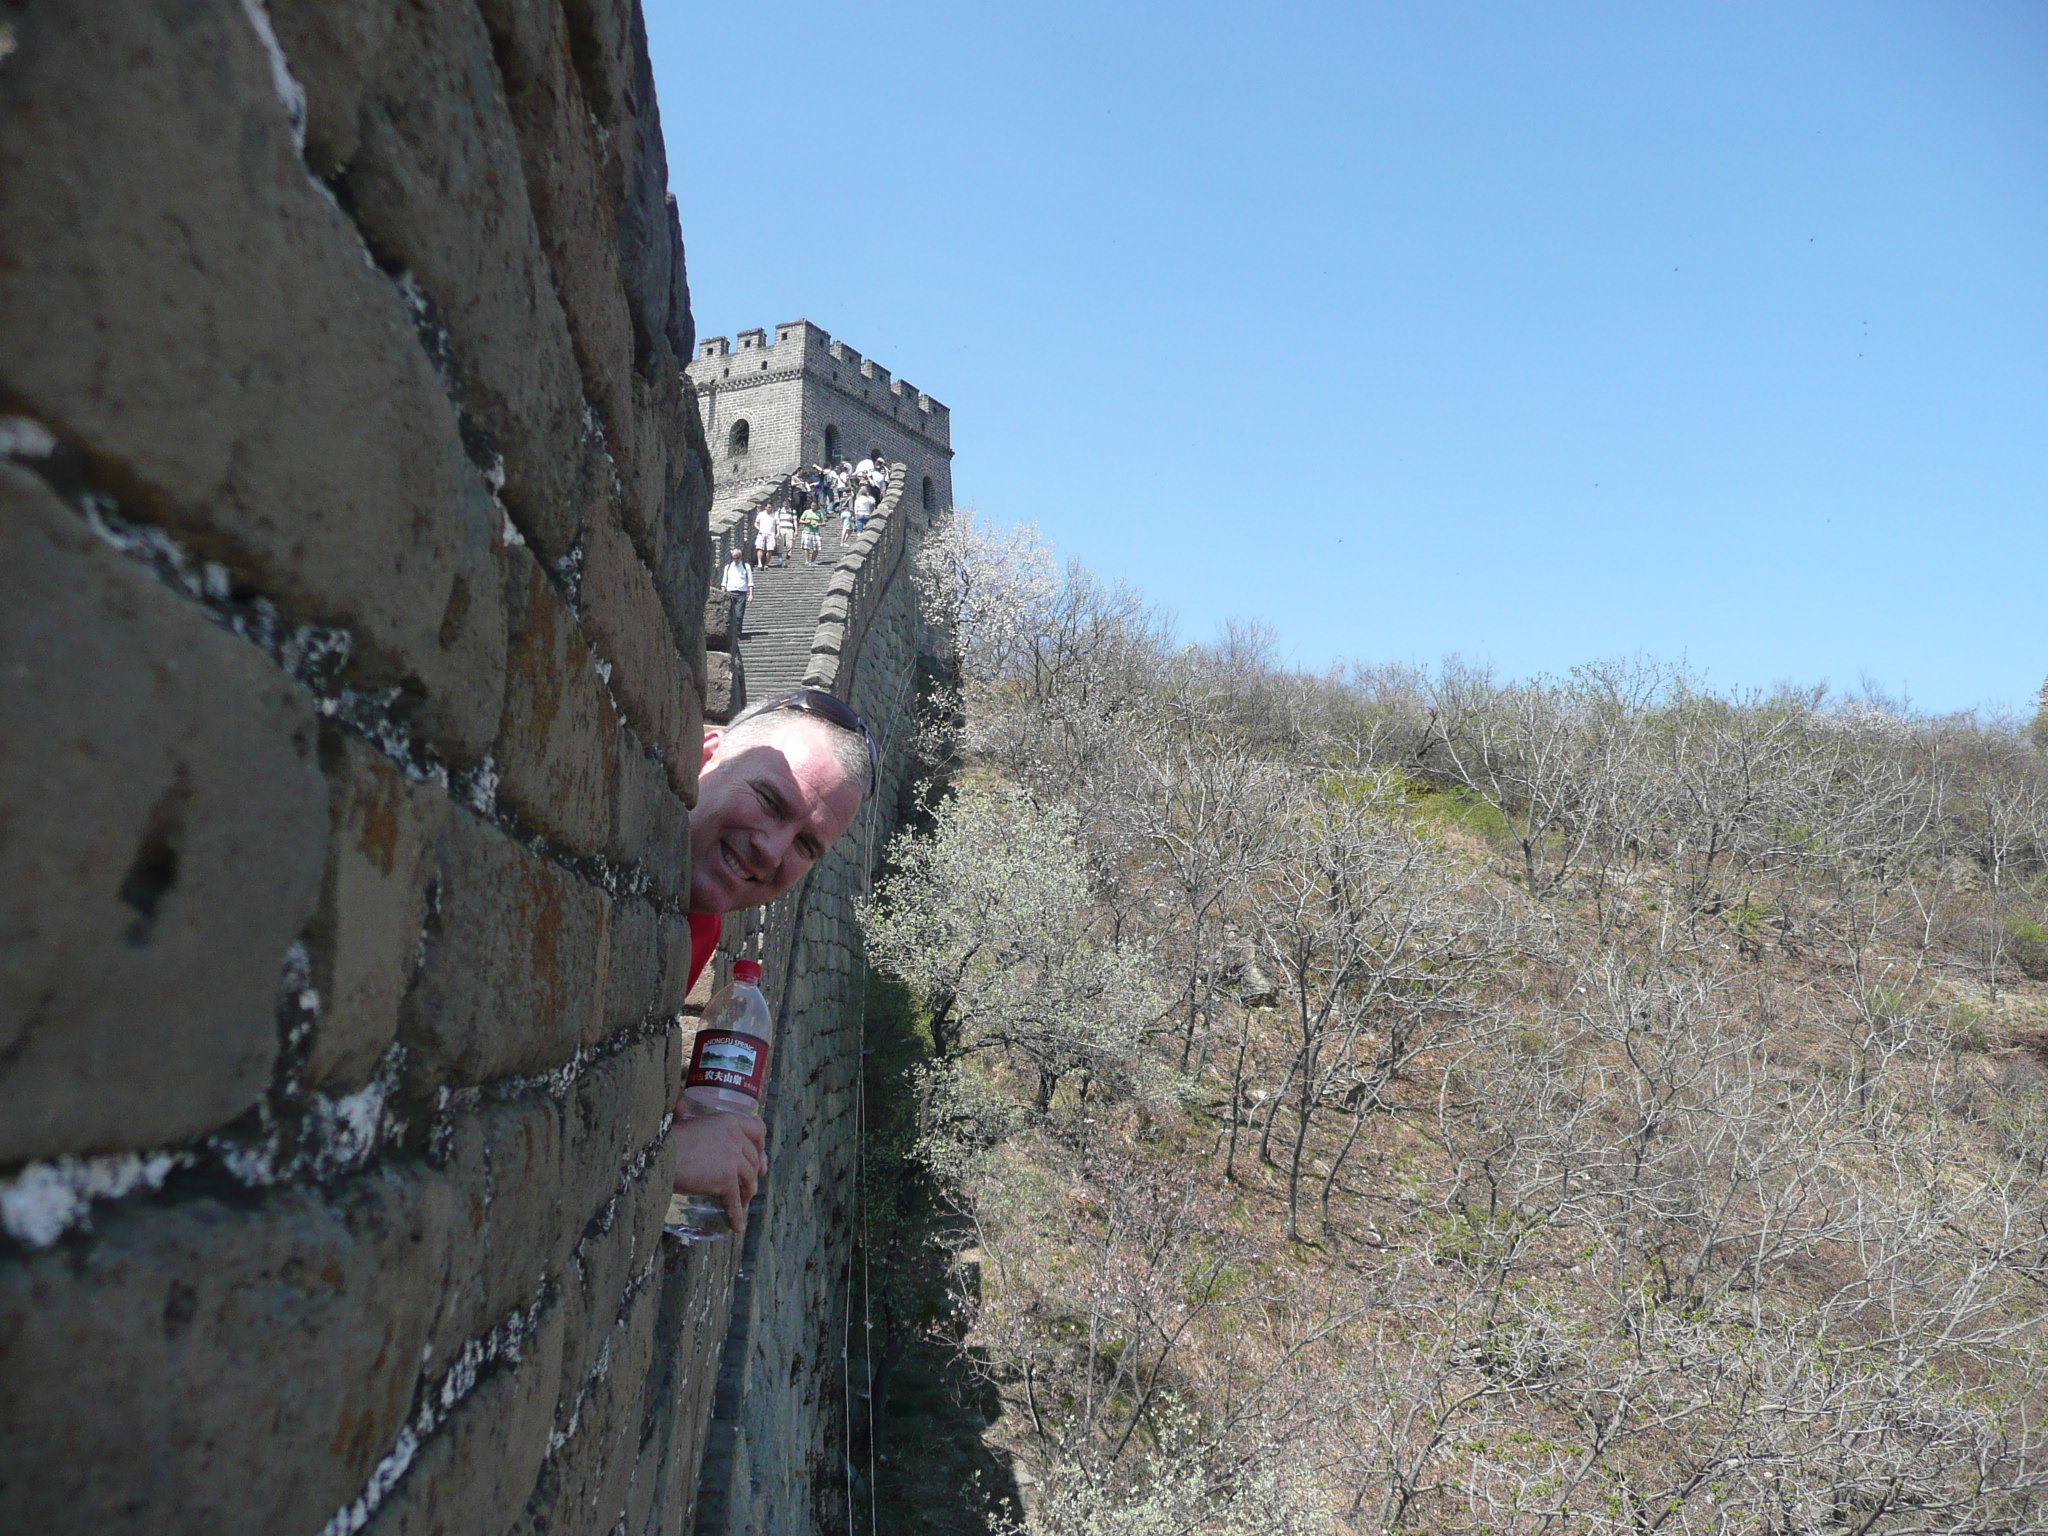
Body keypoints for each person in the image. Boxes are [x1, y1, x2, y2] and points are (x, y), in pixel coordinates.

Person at [671, 691, 878, 1231]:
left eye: (806, 845)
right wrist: (663, 1159)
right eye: (769, 799)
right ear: (706, 755)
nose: (771, 850)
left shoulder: (702, 925)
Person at [720, 547, 753, 638]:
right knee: (729, 615)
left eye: (737, 558)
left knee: (739, 615)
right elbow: (724, 581)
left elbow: (750, 581)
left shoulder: (746, 566)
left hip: (741, 594)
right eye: (734, 558)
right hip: (730, 593)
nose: (736, 560)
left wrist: (751, 594)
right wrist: (723, 594)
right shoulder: (728, 567)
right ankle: (730, 634)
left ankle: (737, 633)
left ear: (741, 557)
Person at [752, 504, 778, 568]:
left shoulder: (775, 515)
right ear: (765, 507)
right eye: (769, 507)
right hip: (762, 533)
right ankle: (759, 563)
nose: (770, 508)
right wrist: (759, 528)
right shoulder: (761, 514)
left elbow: (778, 524)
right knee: (759, 548)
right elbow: (756, 523)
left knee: (770, 549)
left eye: (771, 507)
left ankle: (766, 563)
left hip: (771, 534)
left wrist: (778, 533)